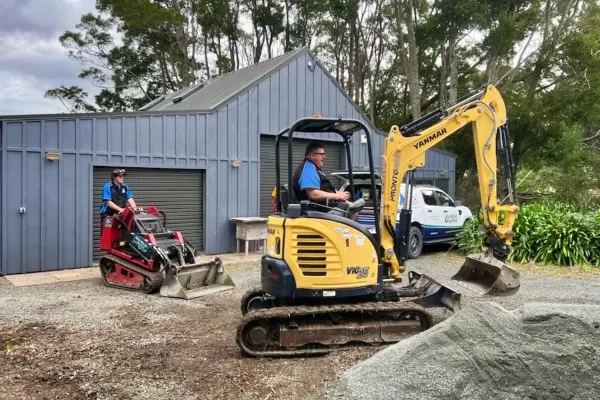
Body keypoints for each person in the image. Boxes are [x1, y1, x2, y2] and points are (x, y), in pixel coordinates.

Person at [293, 142, 350, 209]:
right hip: (316, 210)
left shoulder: (313, 168)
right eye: (322, 154)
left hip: (325, 207)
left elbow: (324, 187)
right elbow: (314, 194)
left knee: (352, 208)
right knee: (352, 211)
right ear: (312, 155)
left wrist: (339, 194)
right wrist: (337, 196)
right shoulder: (308, 169)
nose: (324, 157)